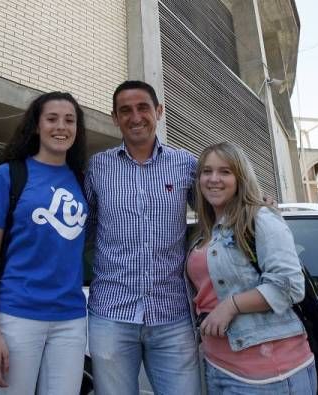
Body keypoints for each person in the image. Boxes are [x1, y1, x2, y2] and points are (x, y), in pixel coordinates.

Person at [84, 80, 201, 394]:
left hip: (172, 315)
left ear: (159, 111)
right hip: (111, 314)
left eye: (143, 108)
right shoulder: (98, 167)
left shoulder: (186, 165)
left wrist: (257, 205)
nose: (135, 117)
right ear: (115, 118)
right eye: (125, 111)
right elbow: (83, 232)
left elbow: (219, 213)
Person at [0, 92, 88, 394]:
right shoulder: (8, 175)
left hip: (71, 319)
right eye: (52, 119)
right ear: (36, 126)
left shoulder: (83, 181)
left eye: (69, 120)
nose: (61, 127)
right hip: (17, 314)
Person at [186, 142, 316, 394]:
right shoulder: (204, 232)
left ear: (240, 177)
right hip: (218, 366)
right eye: (206, 171)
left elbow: (289, 285)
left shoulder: (261, 219)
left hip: (269, 375)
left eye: (225, 171)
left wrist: (230, 305)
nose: (214, 179)